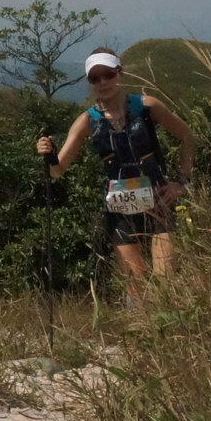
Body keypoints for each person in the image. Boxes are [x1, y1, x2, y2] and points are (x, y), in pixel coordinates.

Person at [35, 49, 196, 297]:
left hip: (159, 202)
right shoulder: (87, 121)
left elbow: (187, 136)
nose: (103, 82)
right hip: (119, 211)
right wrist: (48, 154)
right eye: (95, 78)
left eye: (108, 75)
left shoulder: (147, 106)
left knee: (167, 281)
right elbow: (57, 171)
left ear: (120, 74)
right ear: (90, 83)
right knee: (135, 287)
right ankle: (140, 322)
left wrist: (182, 183)